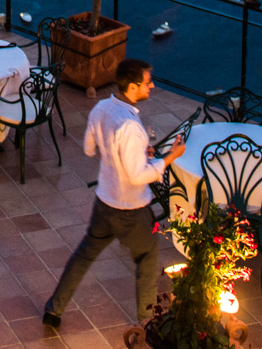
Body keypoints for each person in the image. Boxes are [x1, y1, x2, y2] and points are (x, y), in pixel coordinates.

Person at [43, 58, 186, 328]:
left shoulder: (101, 108)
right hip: (130, 209)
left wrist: (127, 154)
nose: (152, 86)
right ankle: (147, 323)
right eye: (147, 82)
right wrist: (169, 158)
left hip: (104, 202)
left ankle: (54, 310)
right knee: (148, 258)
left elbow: (88, 148)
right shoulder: (131, 127)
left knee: (84, 255)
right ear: (132, 87)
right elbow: (136, 176)